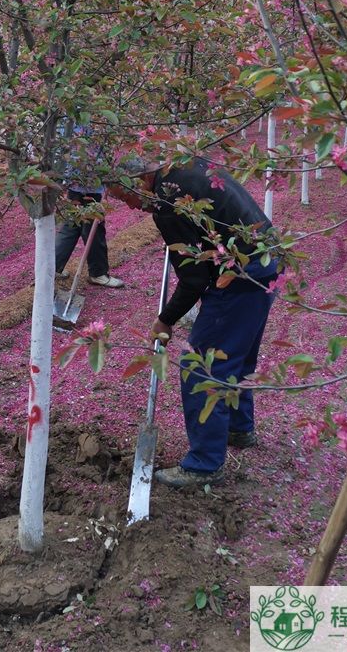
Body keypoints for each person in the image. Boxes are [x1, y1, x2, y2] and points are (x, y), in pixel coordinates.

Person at [108, 155, 282, 489]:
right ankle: (238, 427)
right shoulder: (187, 164)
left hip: (240, 278)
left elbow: (194, 279)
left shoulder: (167, 203)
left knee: (200, 364)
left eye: (123, 197)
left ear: (140, 181)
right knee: (237, 353)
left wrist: (165, 320)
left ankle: (205, 464)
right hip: (266, 258)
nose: (129, 208)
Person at [55, 185, 125, 288]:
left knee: (69, 229)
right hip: (92, 192)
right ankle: (98, 273)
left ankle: (53, 269)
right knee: (94, 233)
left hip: (74, 189)